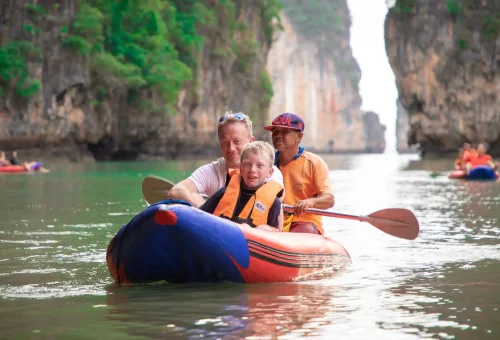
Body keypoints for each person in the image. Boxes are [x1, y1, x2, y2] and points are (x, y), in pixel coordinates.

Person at [168, 112, 284, 207]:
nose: (231, 148)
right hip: (216, 224)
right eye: (225, 143)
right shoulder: (211, 171)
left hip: (252, 229)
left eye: (237, 141)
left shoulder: (268, 173)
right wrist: (203, 208)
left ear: (251, 142)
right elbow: (176, 190)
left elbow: (277, 201)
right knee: (193, 196)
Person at [264, 112, 334, 235]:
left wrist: (311, 202)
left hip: (304, 221)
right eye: (275, 132)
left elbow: (329, 200)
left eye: (285, 132)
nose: (278, 136)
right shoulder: (266, 164)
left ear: (299, 137)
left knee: (303, 231)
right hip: (273, 221)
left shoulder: (314, 163)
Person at [199, 141, 284, 231]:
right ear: (241, 168)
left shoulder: (274, 203)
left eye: (259, 166)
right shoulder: (223, 193)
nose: (252, 170)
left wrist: (268, 229)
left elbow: (276, 231)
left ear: (269, 172)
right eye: (247, 165)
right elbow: (200, 215)